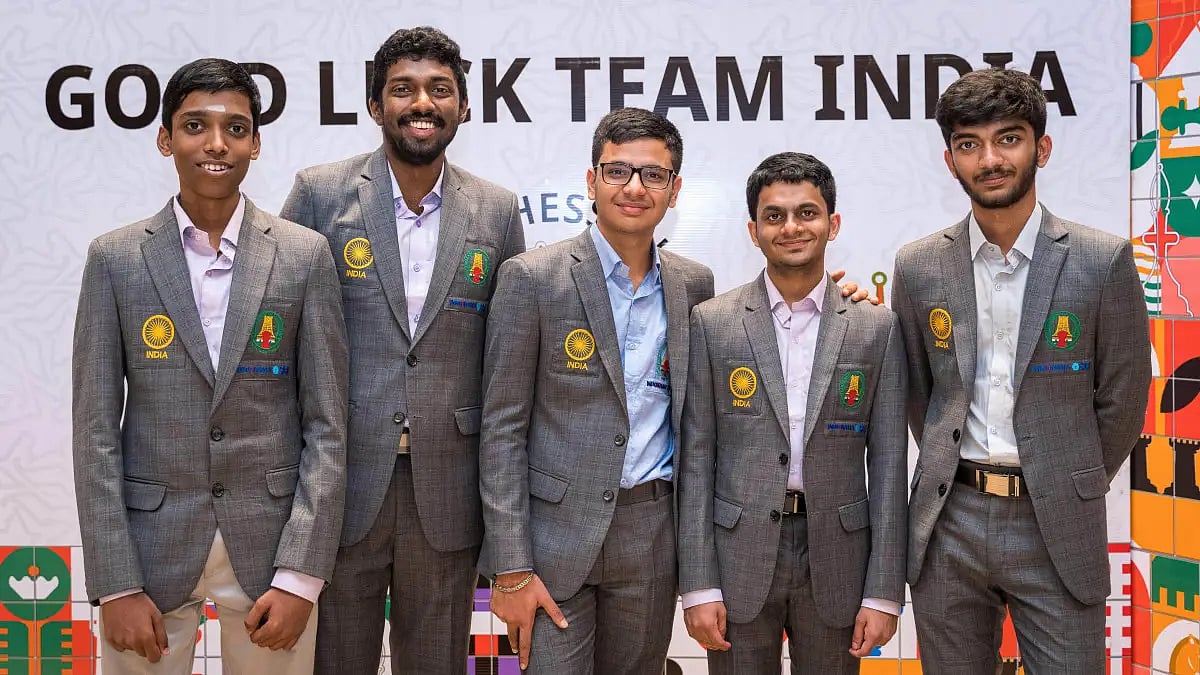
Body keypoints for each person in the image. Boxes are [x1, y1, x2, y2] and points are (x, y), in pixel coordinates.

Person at [72, 57, 348, 674]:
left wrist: (301, 576)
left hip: (271, 553)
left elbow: (328, 426)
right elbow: (94, 433)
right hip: (147, 553)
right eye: (195, 126)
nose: (216, 143)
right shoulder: (115, 260)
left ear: (256, 142)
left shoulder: (305, 257)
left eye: (236, 128)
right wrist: (114, 583)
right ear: (166, 138)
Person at [279, 26, 526, 674]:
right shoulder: (320, 193)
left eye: (439, 89)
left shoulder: (497, 212)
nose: (423, 102)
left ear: (464, 106)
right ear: (375, 106)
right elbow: (282, 330)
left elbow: (510, 356)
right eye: (404, 89)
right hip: (340, 481)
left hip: (447, 488)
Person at [891, 68, 1152, 674]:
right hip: (949, 519)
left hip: (1055, 520)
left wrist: (1066, 476)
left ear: (1043, 147)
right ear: (950, 160)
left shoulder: (1100, 259)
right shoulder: (919, 266)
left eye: (1008, 138)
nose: (989, 159)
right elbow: (922, 398)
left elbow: (1122, 399)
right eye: (968, 144)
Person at [479, 107, 715, 673]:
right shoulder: (532, 278)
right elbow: (501, 427)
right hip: (552, 542)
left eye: (653, 175)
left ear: (674, 189)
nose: (634, 188)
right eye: (617, 171)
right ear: (591, 181)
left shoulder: (694, 285)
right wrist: (511, 565)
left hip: (652, 535)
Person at [678, 152, 907, 674]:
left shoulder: (877, 327)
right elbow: (696, 458)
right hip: (737, 556)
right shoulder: (713, 322)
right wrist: (698, 583)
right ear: (753, 230)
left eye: (807, 212)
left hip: (839, 557)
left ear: (833, 224)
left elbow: (890, 464)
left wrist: (884, 591)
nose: (791, 227)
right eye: (774, 215)